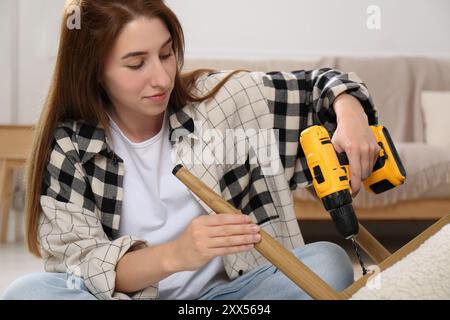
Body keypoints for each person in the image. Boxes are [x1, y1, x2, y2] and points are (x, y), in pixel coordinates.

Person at [3, 0, 380, 300]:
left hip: (229, 297)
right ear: (94, 71)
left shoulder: (221, 102)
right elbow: (82, 265)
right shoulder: (70, 144)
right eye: (136, 63)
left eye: (166, 54)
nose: (162, 78)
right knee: (28, 293)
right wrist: (175, 254)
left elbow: (323, 84)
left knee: (328, 262)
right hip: (124, 297)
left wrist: (350, 114)